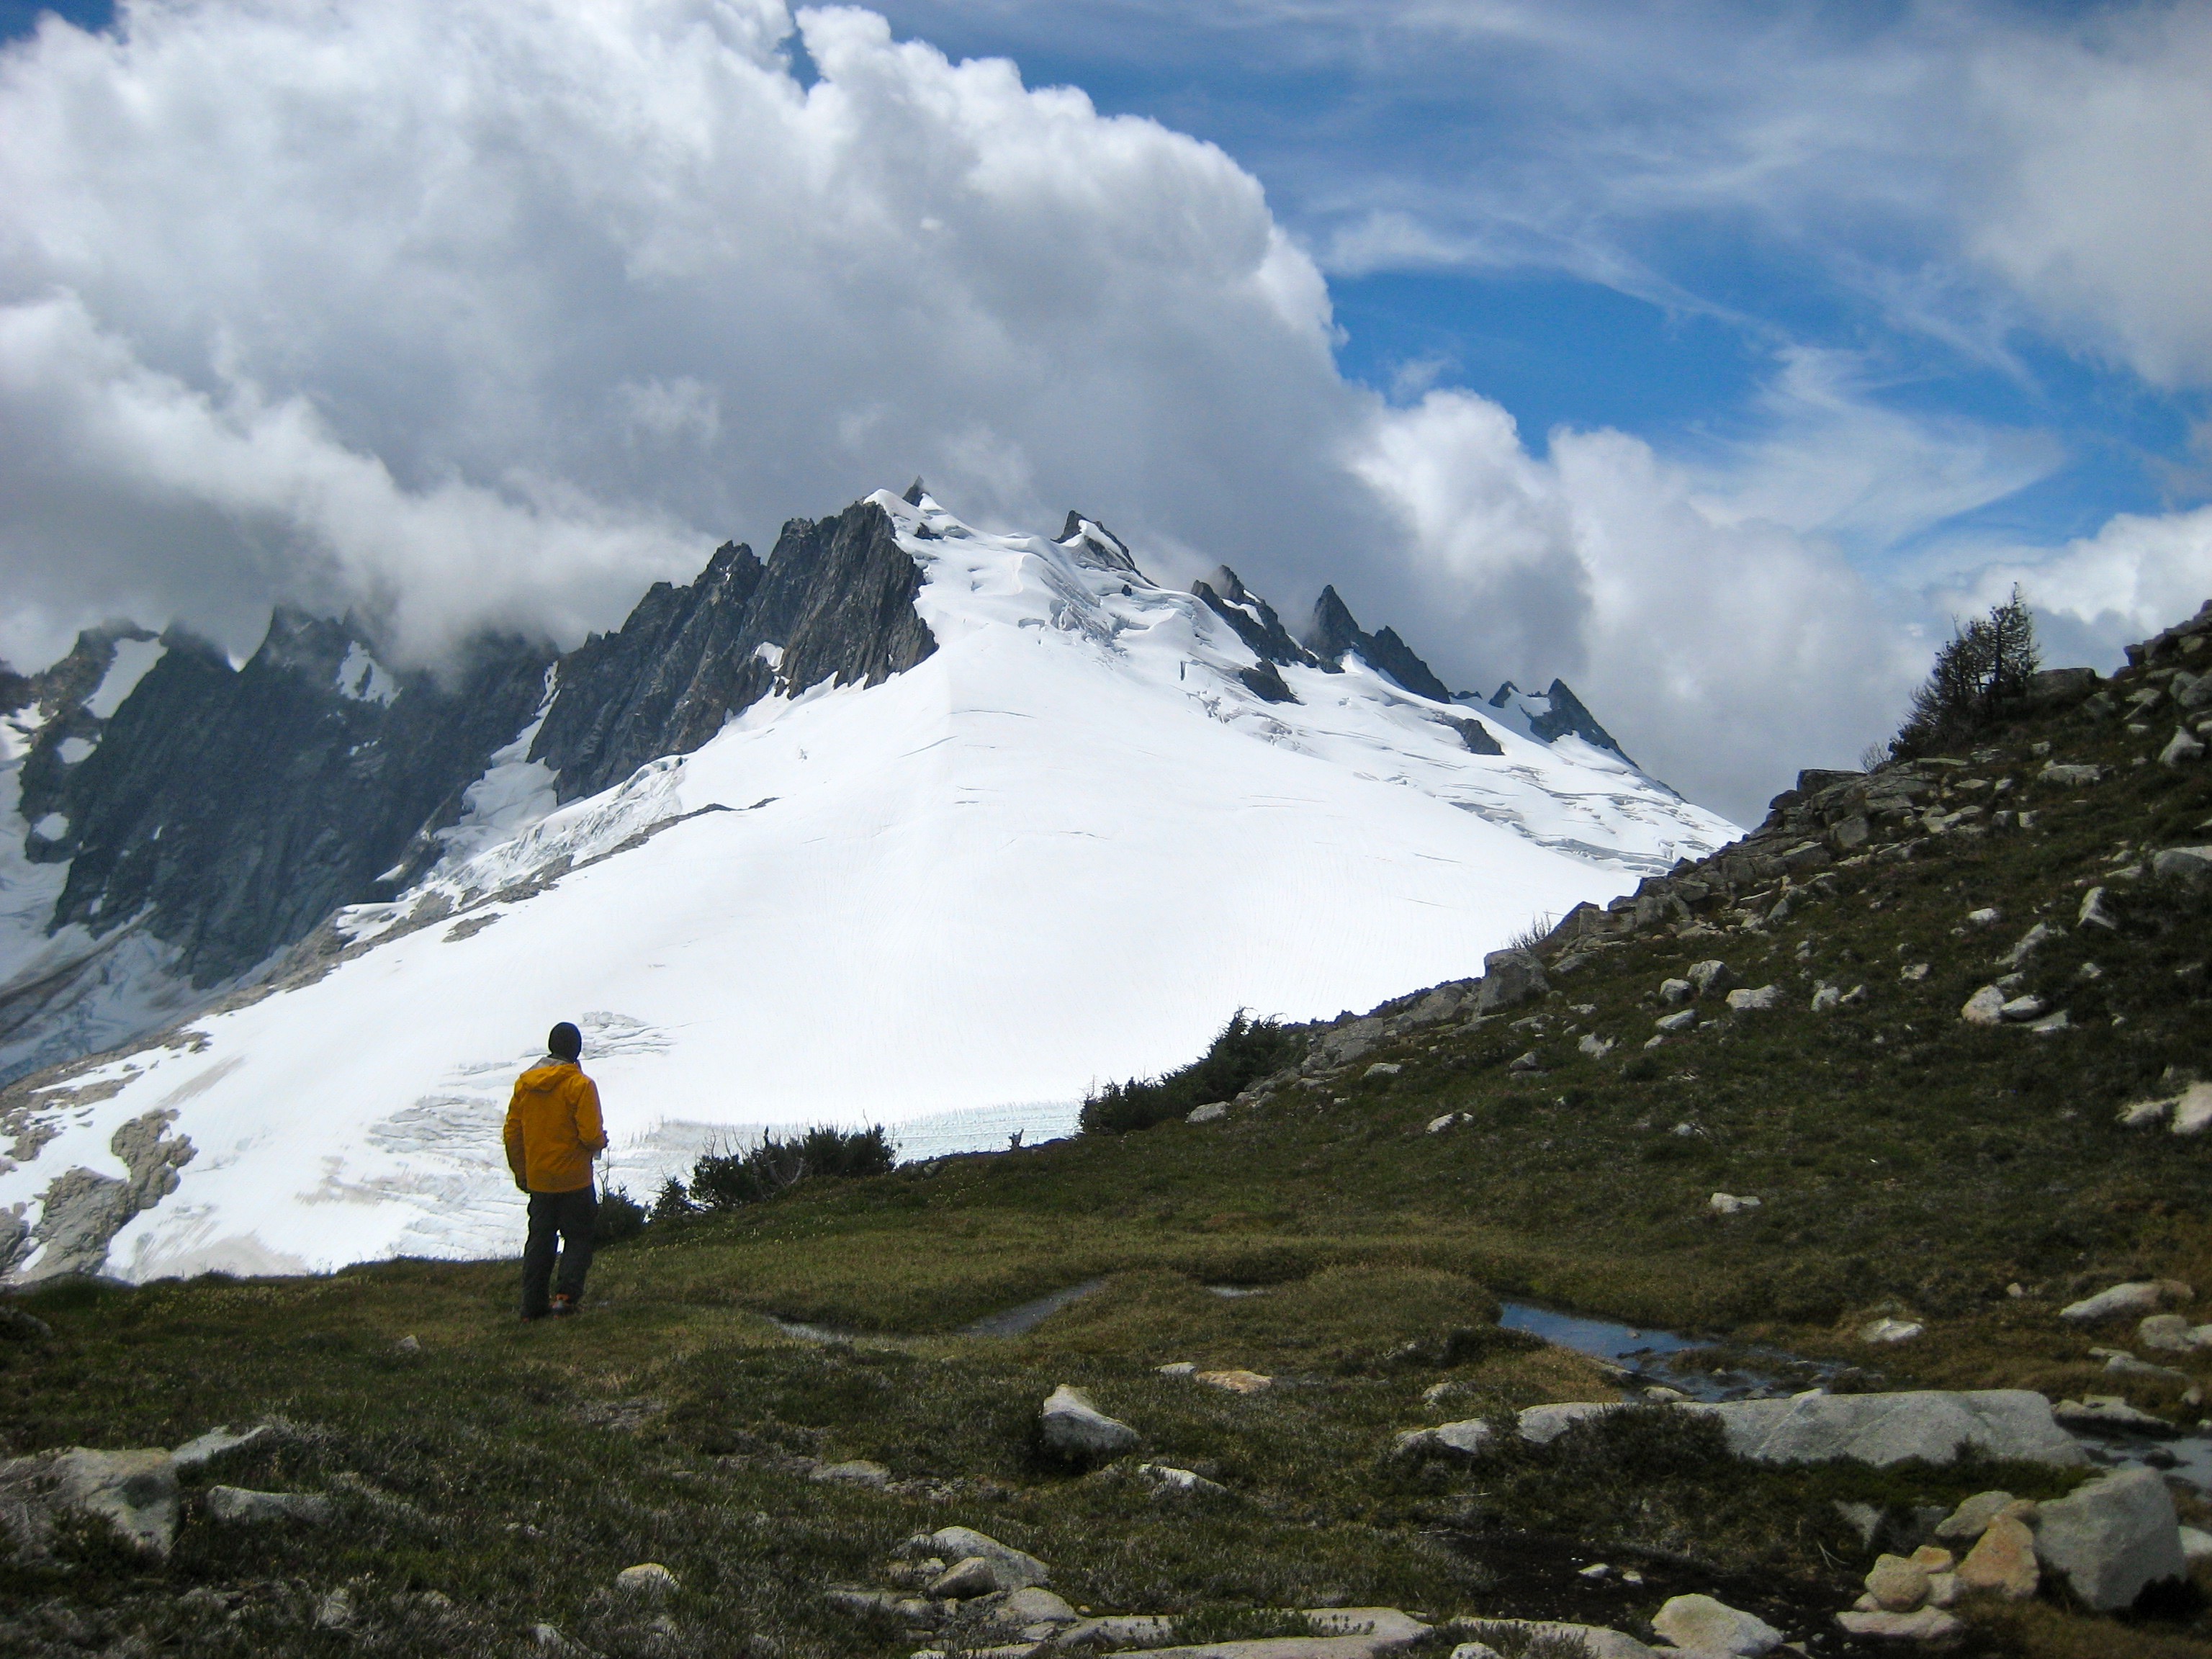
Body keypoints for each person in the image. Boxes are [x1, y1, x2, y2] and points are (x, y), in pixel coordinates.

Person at [503, 1021, 606, 1319]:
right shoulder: (581, 1085)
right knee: (578, 1238)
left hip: (540, 1179)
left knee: (540, 1241)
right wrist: (601, 1141)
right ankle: (565, 1299)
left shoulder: (526, 1083)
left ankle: (532, 1306)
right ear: (577, 1050)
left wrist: (522, 1172)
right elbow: (590, 1136)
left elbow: (512, 1132)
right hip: (574, 1179)